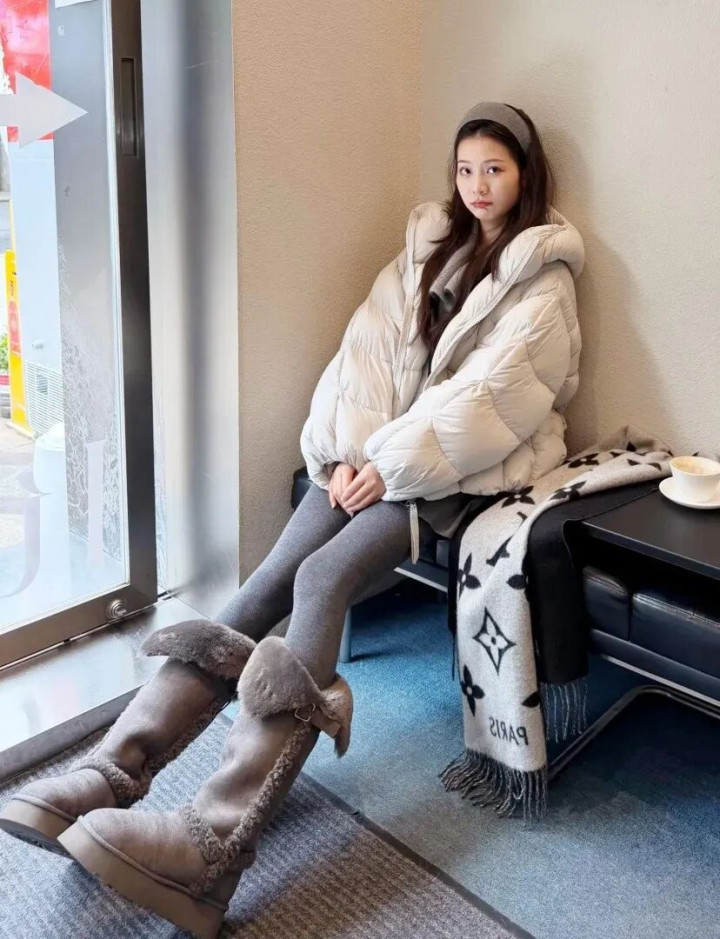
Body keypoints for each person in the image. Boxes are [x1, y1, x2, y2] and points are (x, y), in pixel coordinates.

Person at [0, 101, 584, 938]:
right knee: (270, 577)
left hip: (455, 478)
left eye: (495, 168)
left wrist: (390, 466)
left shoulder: (547, 284)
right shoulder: (429, 247)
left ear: (526, 174)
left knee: (322, 576)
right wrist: (347, 453)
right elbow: (365, 356)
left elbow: (488, 406)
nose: (477, 185)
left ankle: (214, 844)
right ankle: (112, 769)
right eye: (465, 169)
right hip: (376, 460)